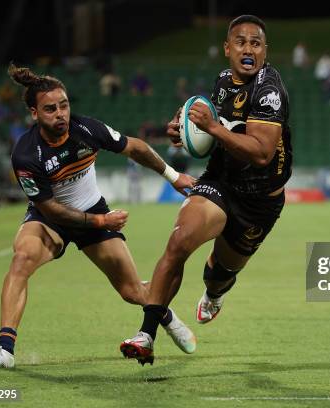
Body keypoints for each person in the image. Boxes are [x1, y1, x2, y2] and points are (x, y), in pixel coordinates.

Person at [0, 64, 197, 369]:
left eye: (64, 105)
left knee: (132, 292)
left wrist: (173, 176)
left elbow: (135, 147)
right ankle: (5, 349)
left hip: (93, 211)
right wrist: (101, 222)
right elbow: (50, 209)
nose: (60, 114)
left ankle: (165, 314)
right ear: (34, 113)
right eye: (50, 109)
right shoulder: (26, 154)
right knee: (22, 258)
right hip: (50, 218)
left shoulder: (87, 129)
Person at [119, 15, 292, 366]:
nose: (248, 48)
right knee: (179, 242)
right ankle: (147, 334)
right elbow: (215, 135)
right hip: (220, 184)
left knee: (219, 274)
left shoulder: (269, 90)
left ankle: (215, 294)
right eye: (240, 42)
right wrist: (185, 135)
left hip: (260, 203)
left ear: (265, 51)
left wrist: (211, 127)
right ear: (227, 49)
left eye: (255, 43)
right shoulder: (222, 83)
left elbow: (260, 153)